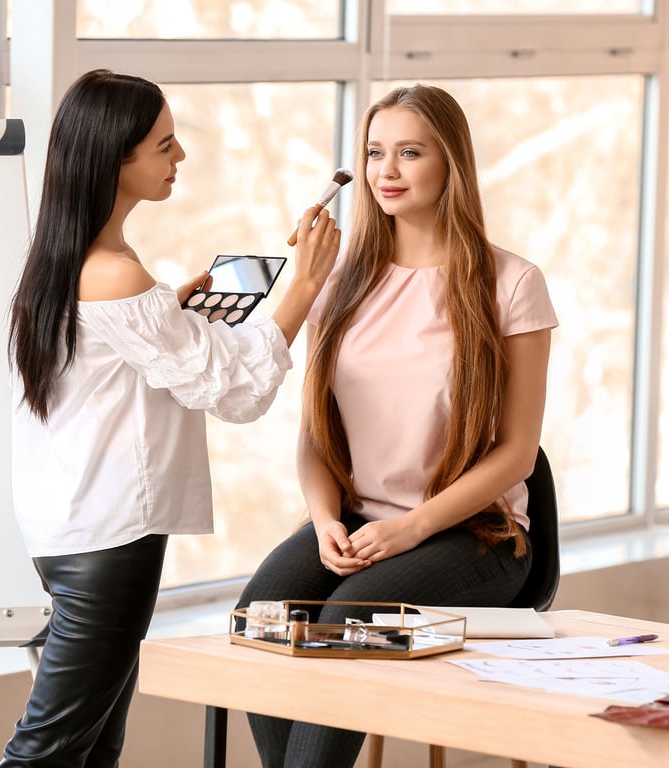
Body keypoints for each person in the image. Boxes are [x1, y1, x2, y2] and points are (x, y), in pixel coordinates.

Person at [1, 69, 340, 767]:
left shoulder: (71, 261)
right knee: (49, 751)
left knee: (92, 747)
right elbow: (237, 393)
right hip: (109, 541)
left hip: (72, 529)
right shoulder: (116, 275)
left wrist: (169, 319)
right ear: (114, 157)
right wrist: (304, 286)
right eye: (165, 144)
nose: (180, 157)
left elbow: (129, 371)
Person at [235, 83, 556, 768]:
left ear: (451, 165)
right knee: (263, 613)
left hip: (474, 535)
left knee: (344, 621)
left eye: (409, 153)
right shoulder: (341, 280)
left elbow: (518, 453)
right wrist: (324, 519)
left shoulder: (512, 282)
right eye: (375, 153)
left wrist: (409, 527)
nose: (387, 171)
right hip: (354, 519)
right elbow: (315, 436)